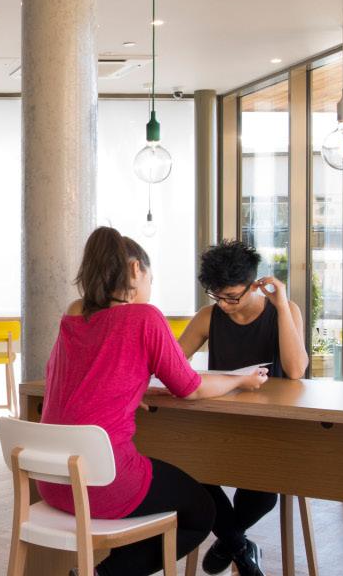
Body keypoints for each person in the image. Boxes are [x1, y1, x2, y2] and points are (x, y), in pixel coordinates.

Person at [41, 227, 269, 576]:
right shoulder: (145, 317)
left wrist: (131, 391)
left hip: (52, 480)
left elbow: (80, 378)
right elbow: (190, 387)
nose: (150, 286)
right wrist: (241, 379)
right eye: (150, 278)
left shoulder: (73, 313)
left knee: (171, 490)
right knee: (200, 513)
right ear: (136, 270)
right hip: (103, 482)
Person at [176, 241, 308, 576]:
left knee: (262, 495)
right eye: (217, 296)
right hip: (220, 427)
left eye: (232, 297)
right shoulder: (209, 317)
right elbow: (172, 364)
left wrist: (281, 306)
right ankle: (239, 547)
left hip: (270, 428)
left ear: (254, 285)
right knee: (191, 475)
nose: (224, 304)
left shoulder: (285, 311)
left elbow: (296, 370)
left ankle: (229, 543)